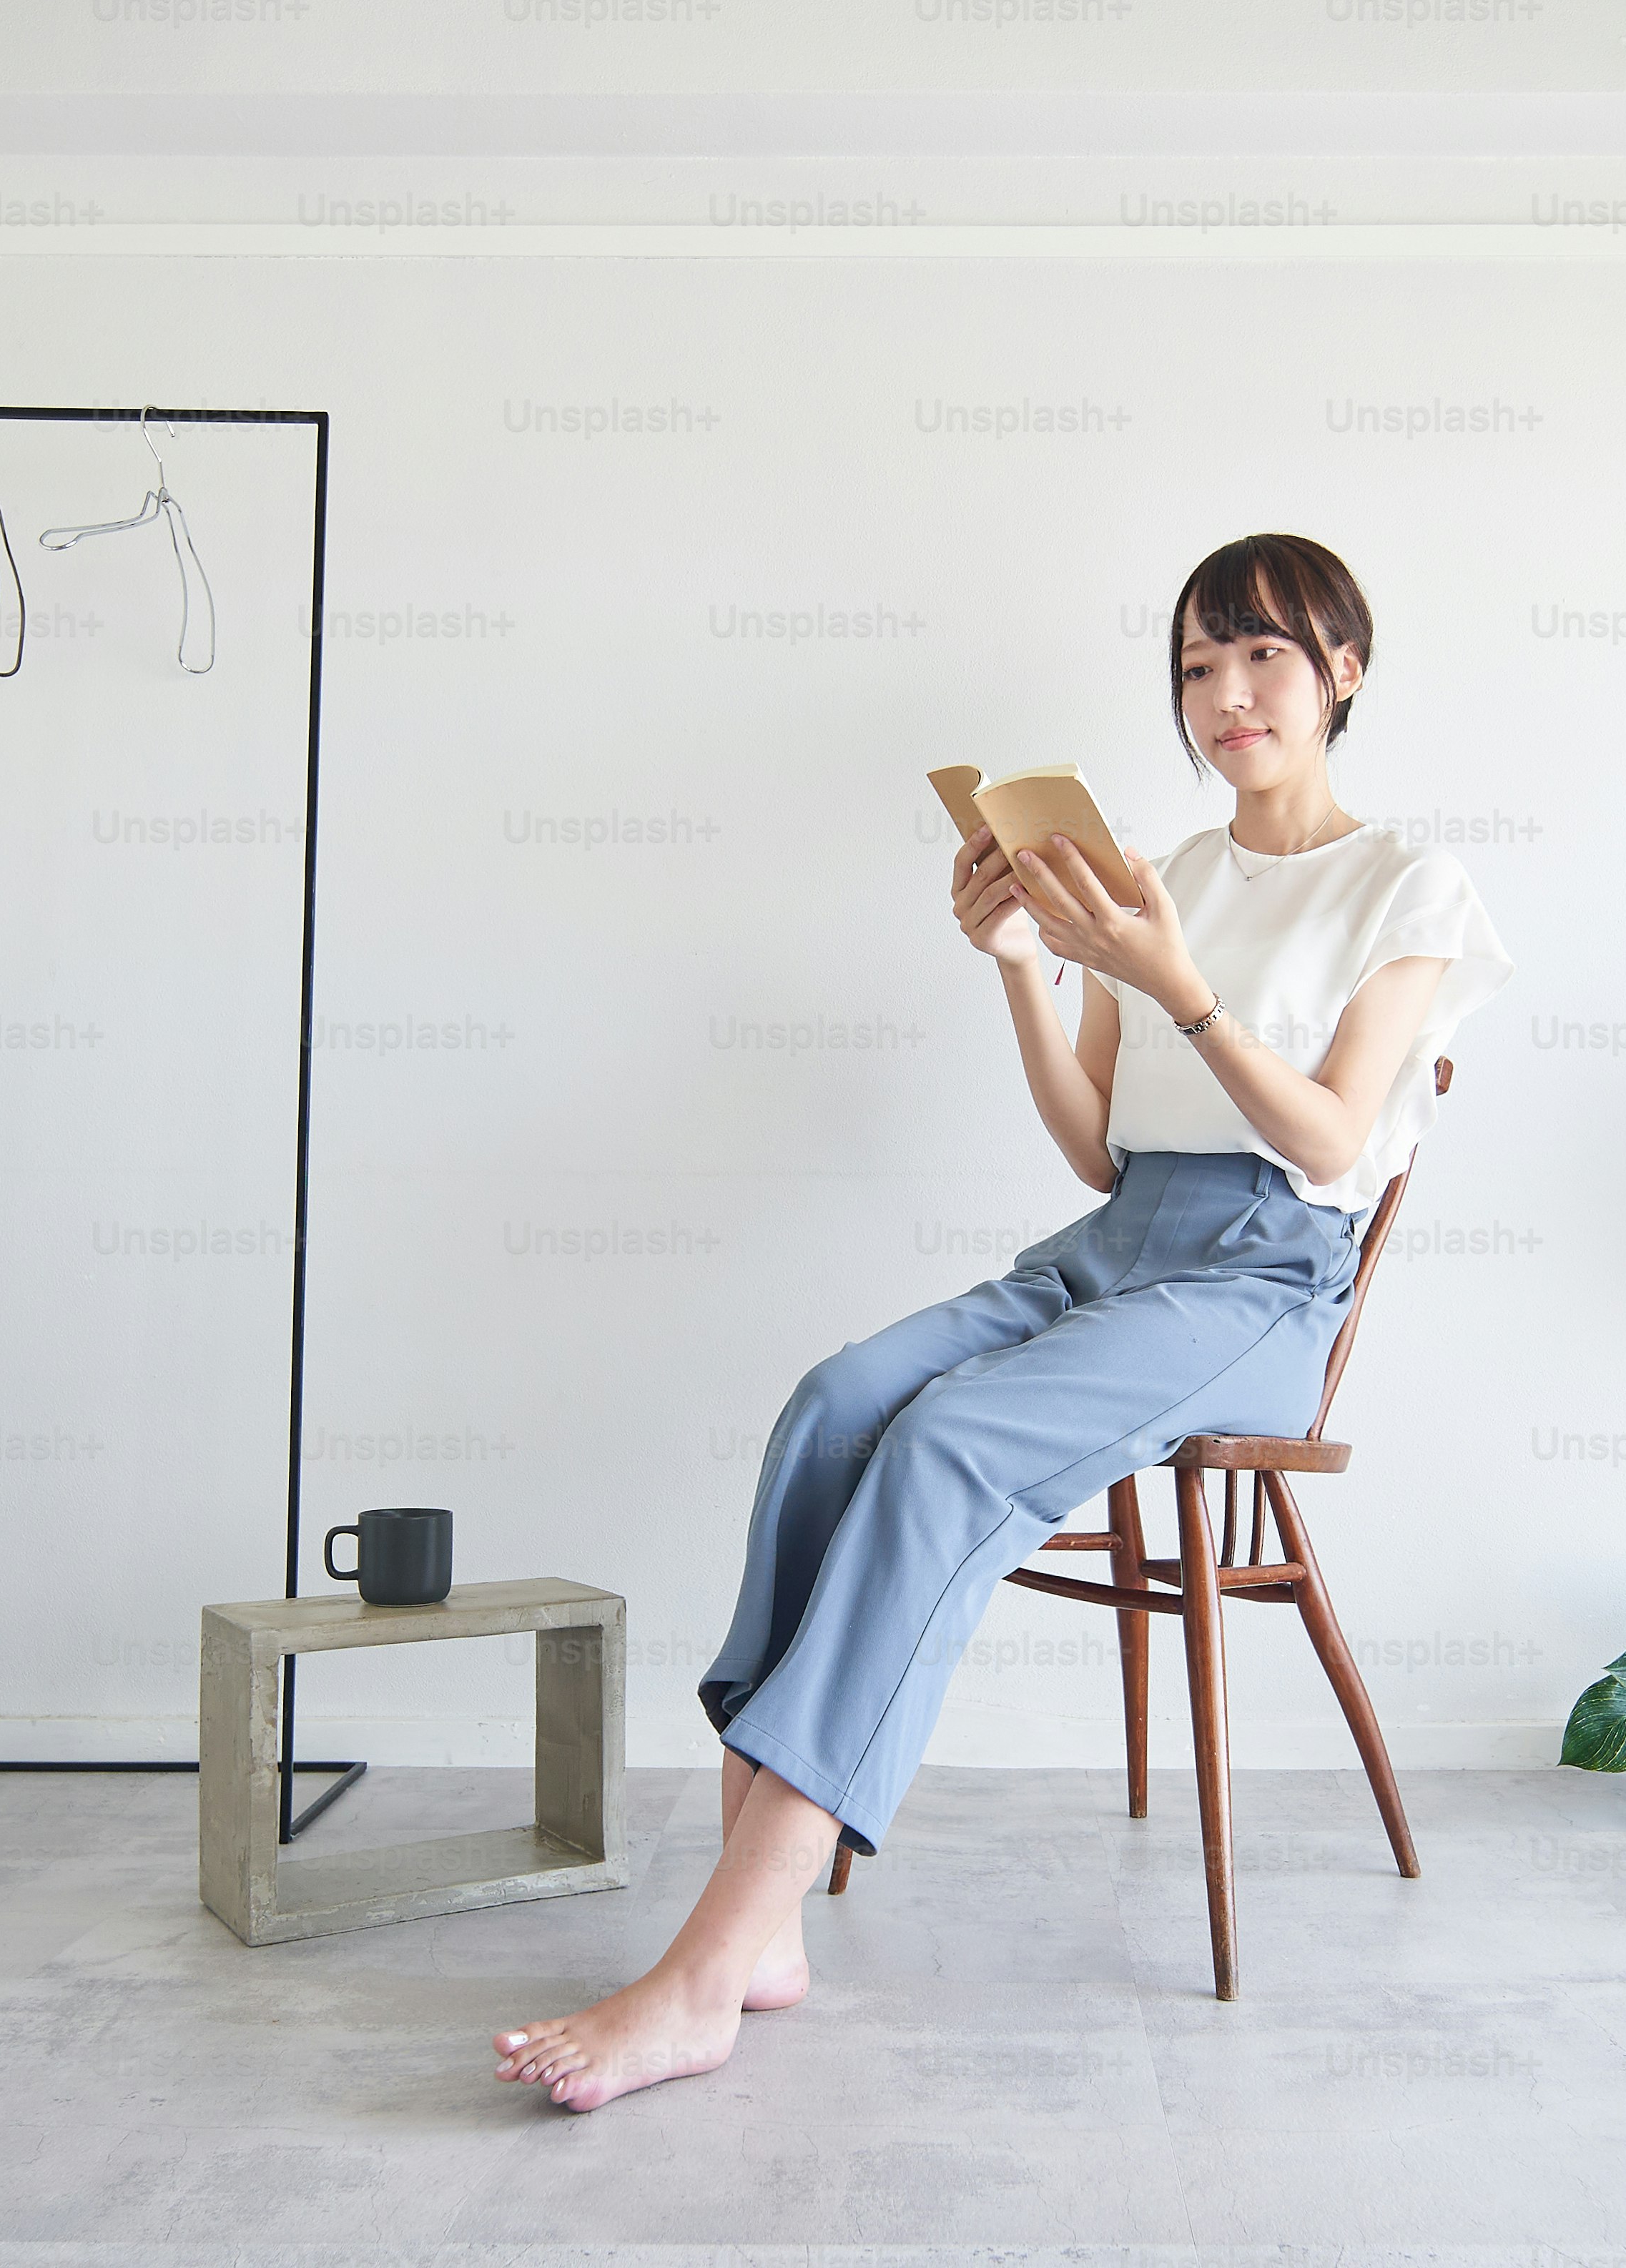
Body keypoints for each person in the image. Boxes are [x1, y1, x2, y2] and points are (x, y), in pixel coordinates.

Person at [491, 533, 1513, 2111]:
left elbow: (1329, 1141)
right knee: (838, 1403)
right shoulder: (1159, 877)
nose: (1227, 693)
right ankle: (766, 1926)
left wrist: (1184, 990)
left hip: (1262, 1279)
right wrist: (1026, 962)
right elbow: (1100, 1148)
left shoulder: (1408, 883)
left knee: (950, 1443)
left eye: (1264, 654)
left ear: (1344, 672)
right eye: (1197, 664)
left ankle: (705, 1970)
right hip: (1119, 1239)